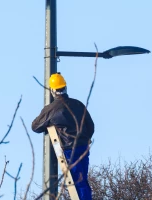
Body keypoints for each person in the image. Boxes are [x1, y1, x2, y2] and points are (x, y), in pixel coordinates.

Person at [32, 72, 94, 200]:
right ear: (65, 87)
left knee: (78, 181)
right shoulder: (77, 104)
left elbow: (35, 126)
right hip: (83, 146)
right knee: (83, 180)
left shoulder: (51, 109)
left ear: (52, 90)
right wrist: (85, 138)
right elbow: (90, 125)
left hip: (69, 149)